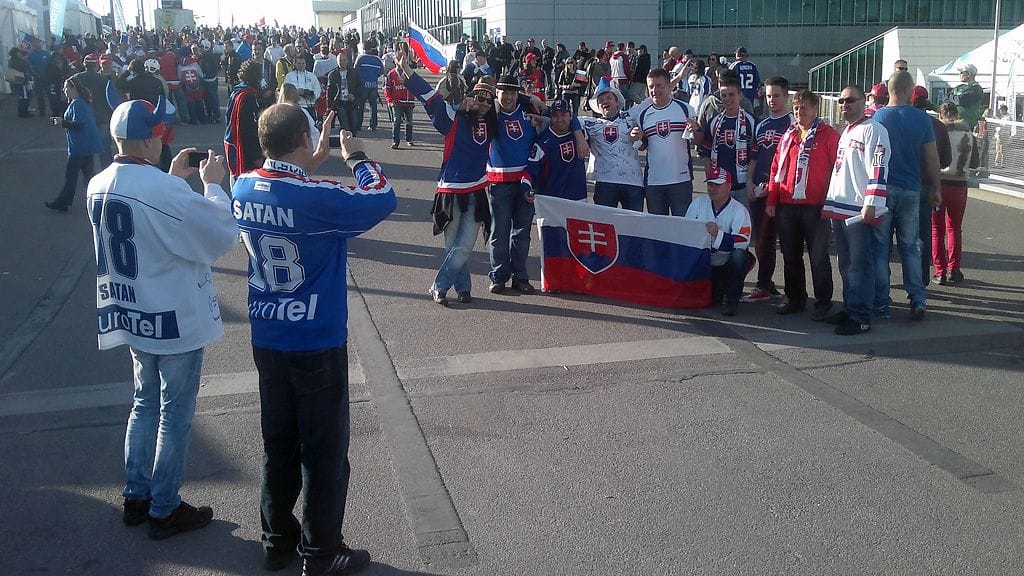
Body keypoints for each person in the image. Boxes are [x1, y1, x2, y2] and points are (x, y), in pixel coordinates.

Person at [232, 103, 395, 575]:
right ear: (305, 140)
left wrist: (310, 161)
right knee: (323, 450)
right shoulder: (318, 196)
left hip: (268, 334)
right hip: (315, 337)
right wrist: (358, 157)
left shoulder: (242, 185)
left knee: (278, 443)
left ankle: (276, 538)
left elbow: (284, 188)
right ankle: (322, 551)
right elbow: (381, 198)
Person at [88, 98, 237, 538]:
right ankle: (165, 506)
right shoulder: (163, 191)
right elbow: (217, 233)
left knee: (143, 402)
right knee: (174, 412)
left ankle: (136, 493)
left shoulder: (98, 182)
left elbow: (147, 219)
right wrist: (211, 185)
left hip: (130, 310)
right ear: (152, 140)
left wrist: (171, 180)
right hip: (172, 314)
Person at [872, 71, 941, 320]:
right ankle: (917, 299)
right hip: (912, 189)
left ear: (889, 90)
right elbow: (932, 157)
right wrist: (936, 188)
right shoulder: (921, 119)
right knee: (910, 247)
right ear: (910, 90)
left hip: (883, 190)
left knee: (880, 248)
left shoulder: (877, 117)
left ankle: (882, 302)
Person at [823, 85, 891, 335]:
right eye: (841, 100)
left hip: (859, 209)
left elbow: (878, 167)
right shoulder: (847, 131)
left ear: (865, 101)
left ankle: (861, 316)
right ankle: (850, 308)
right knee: (846, 264)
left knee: (860, 265)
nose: (844, 104)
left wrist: (872, 202)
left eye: (850, 100)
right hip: (840, 208)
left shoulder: (874, 130)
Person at [766, 89, 839, 321]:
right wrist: (771, 200)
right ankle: (795, 298)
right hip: (787, 204)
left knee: (818, 257)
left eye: (805, 107)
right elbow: (775, 169)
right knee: (790, 254)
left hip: (815, 206)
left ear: (815, 108)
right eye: (796, 108)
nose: (800, 112)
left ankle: (823, 302)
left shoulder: (827, 135)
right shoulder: (788, 135)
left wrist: (832, 202)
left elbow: (838, 171)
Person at [486, 75, 545, 294]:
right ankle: (499, 275)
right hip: (498, 183)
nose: (509, 97)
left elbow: (561, 119)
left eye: (513, 93)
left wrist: (531, 100)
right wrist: (527, 97)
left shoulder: (530, 115)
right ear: (497, 93)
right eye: (504, 93)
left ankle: (520, 276)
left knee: (521, 233)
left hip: (525, 183)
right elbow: (474, 97)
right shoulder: (490, 113)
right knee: (499, 232)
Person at [742, 76, 793, 303]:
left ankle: (794, 292)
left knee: (789, 244)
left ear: (786, 96)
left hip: (784, 193)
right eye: (769, 96)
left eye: (777, 95)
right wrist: (750, 182)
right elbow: (754, 158)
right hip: (760, 192)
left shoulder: (793, 123)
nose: (772, 100)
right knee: (762, 241)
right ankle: (764, 284)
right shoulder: (760, 124)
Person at [631, 67, 703, 216]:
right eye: (651, 86)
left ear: (668, 86)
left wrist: (696, 129)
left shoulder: (685, 109)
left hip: (680, 179)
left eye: (659, 86)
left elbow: (699, 141)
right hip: (654, 182)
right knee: (659, 230)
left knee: (682, 227)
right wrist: (637, 137)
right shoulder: (643, 115)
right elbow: (643, 146)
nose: (654, 90)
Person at [686, 167, 753, 316]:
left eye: (717, 185)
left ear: (728, 187)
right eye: (710, 184)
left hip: (725, 262)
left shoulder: (739, 210)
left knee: (740, 255)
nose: (712, 188)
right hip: (704, 262)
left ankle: (731, 301)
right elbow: (686, 229)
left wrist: (719, 234)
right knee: (712, 299)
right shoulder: (698, 204)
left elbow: (743, 241)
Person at [580, 81, 644, 210]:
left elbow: (655, 98)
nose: (604, 101)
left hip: (633, 182)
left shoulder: (631, 116)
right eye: (601, 100)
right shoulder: (589, 123)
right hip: (605, 183)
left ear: (617, 102)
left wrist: (640, 135)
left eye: (608, 98)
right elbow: (563, 118)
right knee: (605, 225)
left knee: (635, 226)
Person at [44, 77, 102, 212]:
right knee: (89, 176)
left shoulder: (78, 104)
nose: (64, 91)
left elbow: (79, 124)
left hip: (80, 146)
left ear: (73, 88)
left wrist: (62, 122)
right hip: (87, 145)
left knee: (71, 176)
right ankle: (97, 200)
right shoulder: (82, 102)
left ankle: (62, 202)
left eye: (66, 88)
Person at [932, 102, 972, 285]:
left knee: (936, 230)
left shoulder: (938, 133)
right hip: (960, 185)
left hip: (939, 184)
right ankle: (954, 270)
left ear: (940, 115)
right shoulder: (968, 134)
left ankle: (939, 271)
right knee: (954, 228)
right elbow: (975, 161)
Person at [701, 74, 757, 204]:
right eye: (724, 95)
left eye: (731, 94)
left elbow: (756, 157)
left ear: (740, 95)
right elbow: (707, 156)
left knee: (744, 223)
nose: (727, 99)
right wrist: (711, 182)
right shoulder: (713, 123)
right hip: (720, 187)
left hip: (743, 187)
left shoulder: (752, 122)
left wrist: (750, 181)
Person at [527, 98, 590, 201]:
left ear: (570, 115)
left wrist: (579, 136)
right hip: (552, 201)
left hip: (579, 198)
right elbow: (531, 169)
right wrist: (527, 187)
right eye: (555, 116)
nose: (560, 119)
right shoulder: (543, 142)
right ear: (550, 117)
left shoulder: (583, 131)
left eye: (563, 115)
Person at [224, 59, 265, 182]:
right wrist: (256, 155)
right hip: (243, 147)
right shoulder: (247, 97)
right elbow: (248, 129)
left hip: (231, 139)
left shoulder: (237, 92)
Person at [327, 52, 362, 133]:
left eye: (344, 60)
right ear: (337, 61)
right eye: (340, 60)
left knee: (354, 126)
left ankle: (352, 143)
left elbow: (361, 86)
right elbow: (330, 91)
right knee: (345, 127)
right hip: (340, 104)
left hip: (352, 103)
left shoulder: (354, 72)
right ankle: (345, 142)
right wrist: (329, 106)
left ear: (347, 61)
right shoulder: (332, 74)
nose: (342, 62)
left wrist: (354, 95)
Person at [384, 61, 416, 149]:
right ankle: (395, 141)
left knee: (409, 122)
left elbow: (416, 85)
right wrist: (389, 100)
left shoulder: (409, 72)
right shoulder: (391, 73)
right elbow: (387, 88)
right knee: (396, 121)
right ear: (395, 61)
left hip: (409, 101)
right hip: (397, 102)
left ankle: (409, 139)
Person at [353, 43, 384, 133]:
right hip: (373, 85)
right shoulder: (377, 59)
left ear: (363, 48)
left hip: (362, 85)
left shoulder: (360, 58)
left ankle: (359, 125)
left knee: (360, 106)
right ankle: (373, 125)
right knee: (373, 107)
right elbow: (381, 71)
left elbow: (355, 70)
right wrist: (374, 76)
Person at [283, 55, 321, 121]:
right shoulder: (289, 76)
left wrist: (312, 95)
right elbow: (286, 91)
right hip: (296, 107)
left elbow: (318, 90)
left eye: (303, 63)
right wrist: (296, 92)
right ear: (295, 64)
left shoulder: (312, 76)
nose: (301, 65)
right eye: (299, 63)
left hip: (309, 106)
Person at [950, 63, 984, 130]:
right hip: (955, 123)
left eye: (962, 72)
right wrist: (954, 99)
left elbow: (961, 100)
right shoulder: (958, 87)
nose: (960, 74)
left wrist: (952, 98)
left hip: (968, 126)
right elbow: (945, 99)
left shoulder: (976, 89)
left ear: (969, 74)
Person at [728, 46, 761, 113]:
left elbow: (728, 80)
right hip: (750, 94)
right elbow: (757, 81)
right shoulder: (752, 65)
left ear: (737, 54)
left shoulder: (734, 65)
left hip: (738, 95)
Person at [7, 47, 32, 118]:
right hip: (21, 80)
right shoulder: (16, 60)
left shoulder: (12, 60)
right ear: (15, 53)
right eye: (18, 52)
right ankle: (23, 112)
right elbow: (22, 68)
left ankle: (24, 111)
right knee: (24, 96)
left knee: (24, 96)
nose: (20, 53)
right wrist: (24, 61)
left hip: (20, 80)